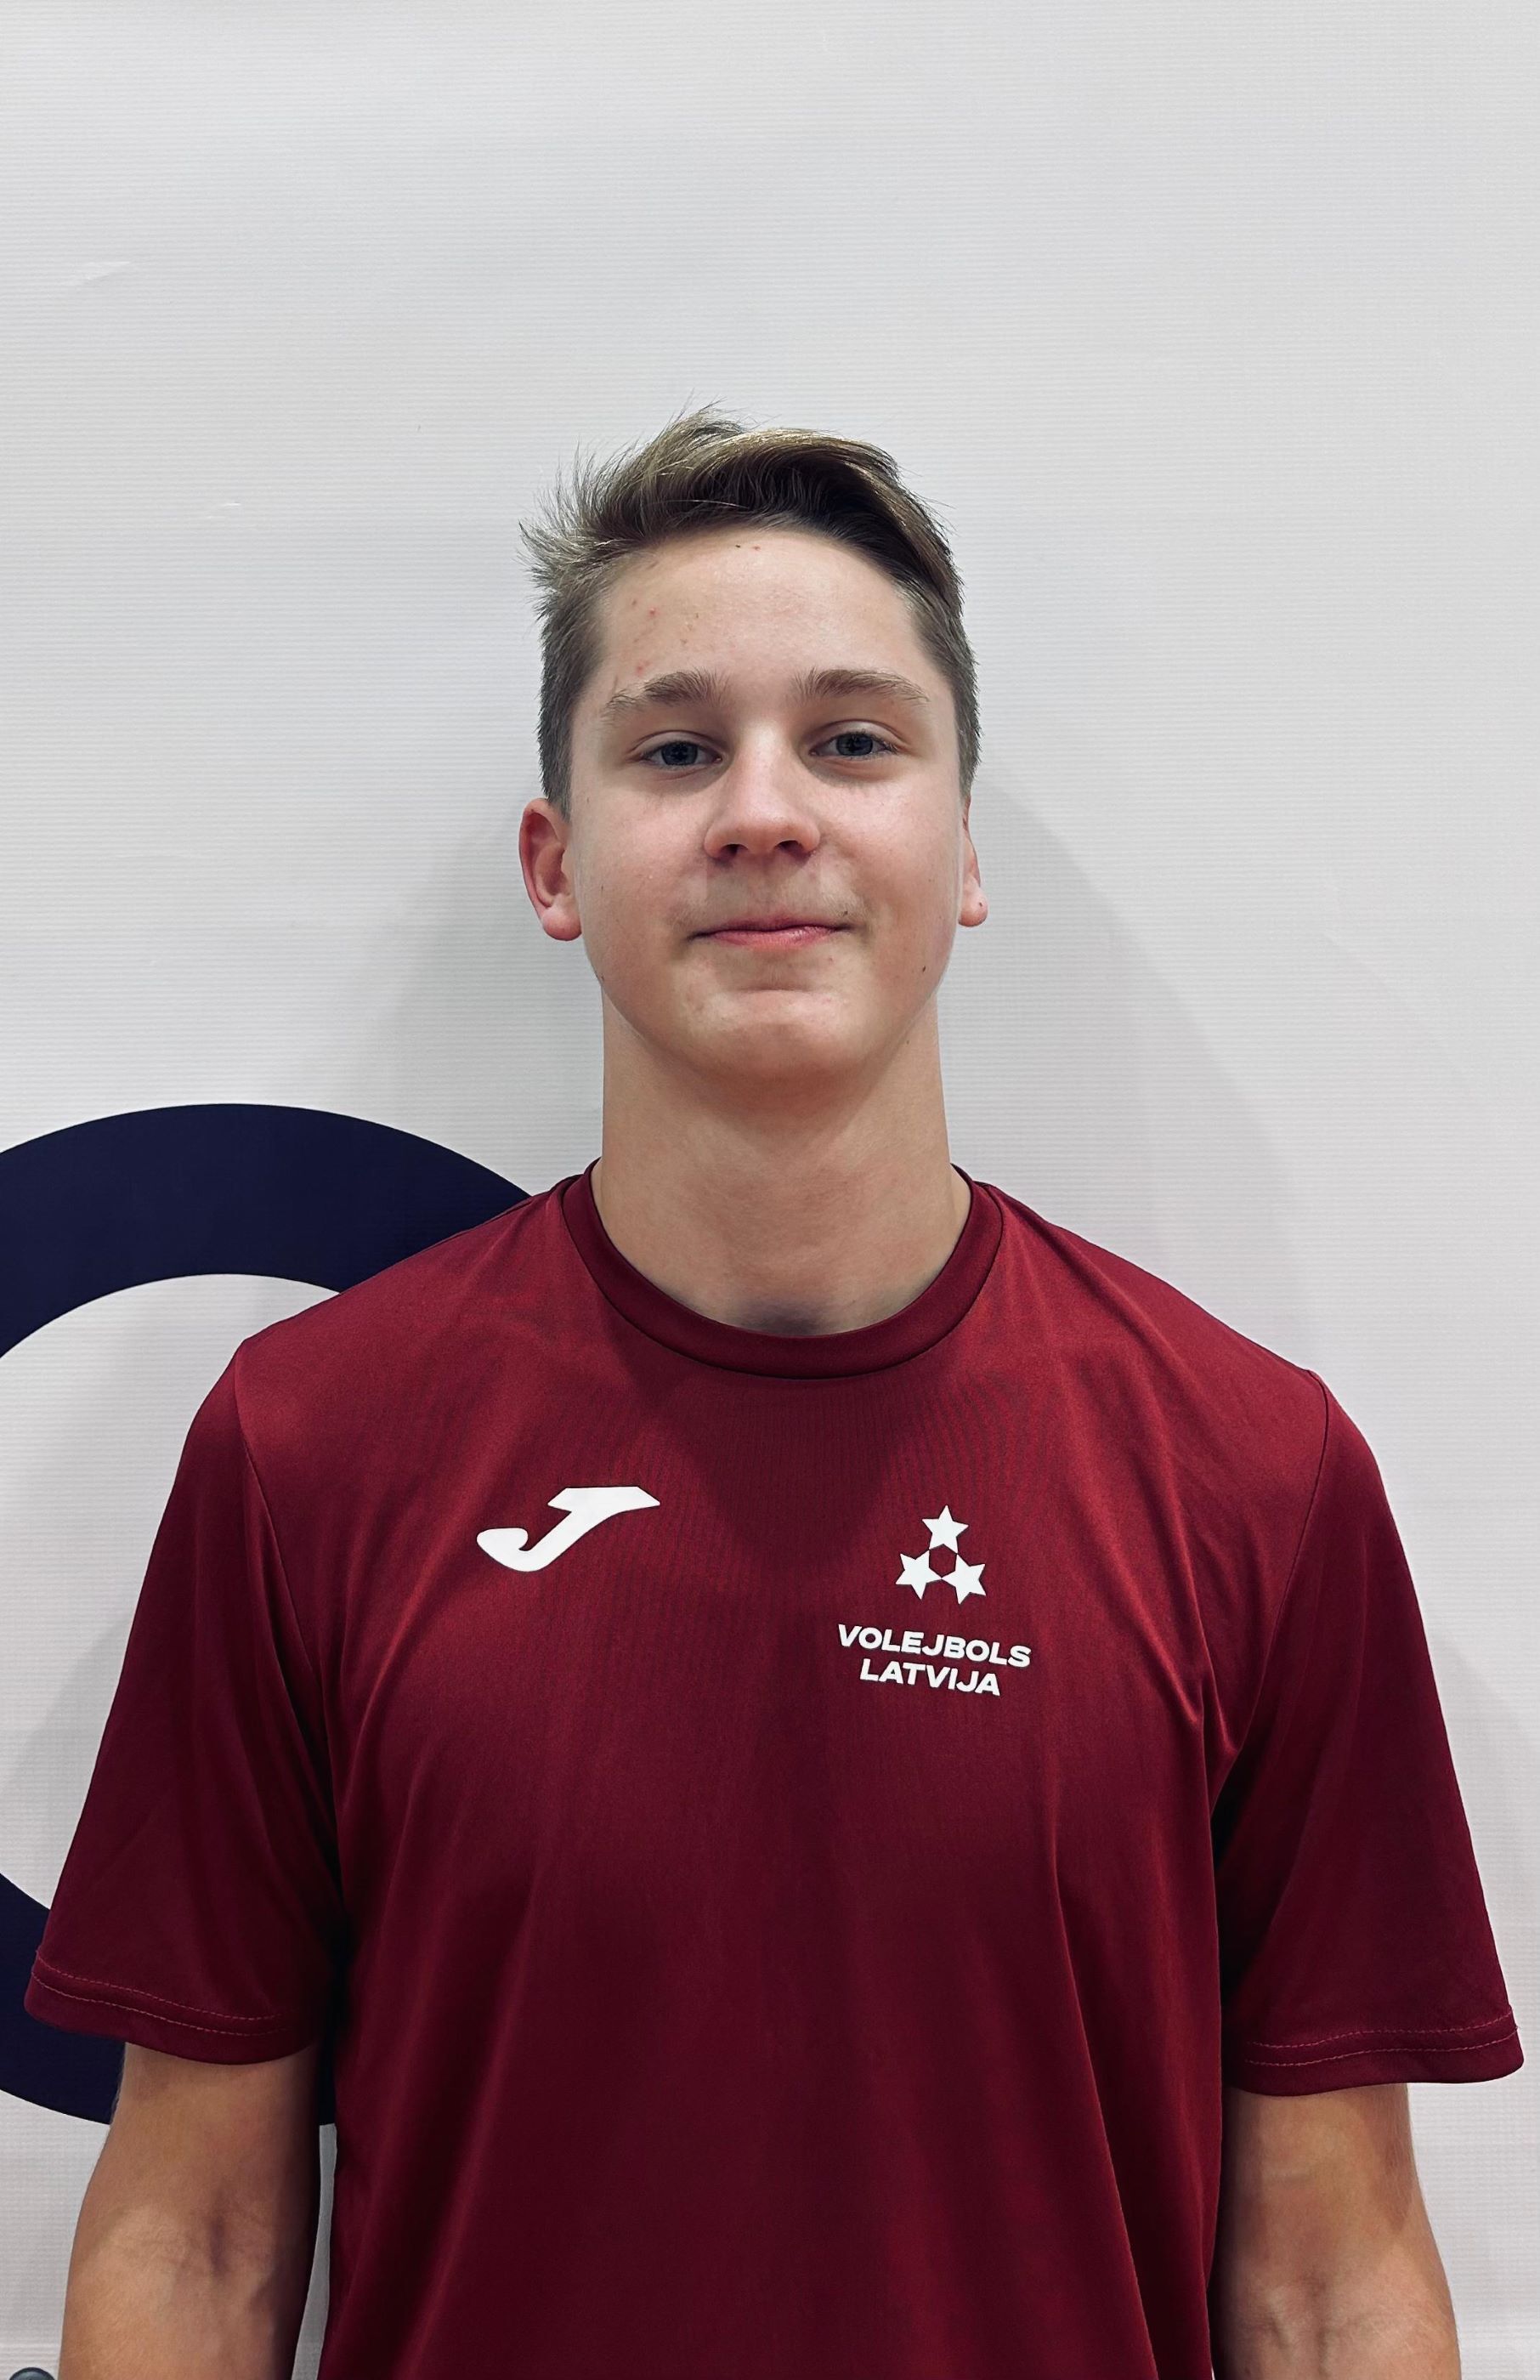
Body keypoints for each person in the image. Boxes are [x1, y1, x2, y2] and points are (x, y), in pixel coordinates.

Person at [28, 408, 1522, 2379]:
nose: (763, 811)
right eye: (674, 749)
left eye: (852, 738)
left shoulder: (1252, 1470)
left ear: (962, 850)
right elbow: (201, 2237)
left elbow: (1329, 2285)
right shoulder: (311, 1447)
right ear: (557, 864)